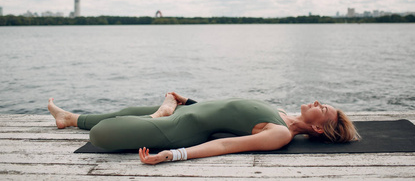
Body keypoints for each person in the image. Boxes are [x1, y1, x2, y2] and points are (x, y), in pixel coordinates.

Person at [48, 92, 359, 165]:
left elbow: (224, 145)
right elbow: (226, 113)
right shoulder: (283, 114)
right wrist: (191, 100)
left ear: (320, 129)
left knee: (101, 135)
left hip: (180, 128)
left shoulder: (280, 133)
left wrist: (174, 154)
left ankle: (162, 112)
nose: (318, 102)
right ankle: (69, 119)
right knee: (127, 112)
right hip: (191, 109)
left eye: (324, 109)